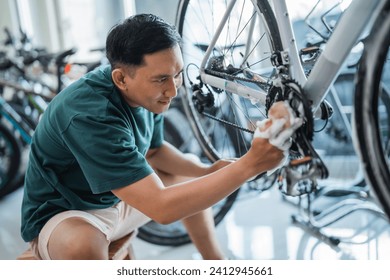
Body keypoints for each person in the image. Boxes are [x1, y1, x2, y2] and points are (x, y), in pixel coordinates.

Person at [20, 13, 299, 260]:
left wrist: (205, 170)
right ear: (121, 79)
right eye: (161, 79)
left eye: (177, 74)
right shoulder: (88, 114)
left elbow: (154, 151)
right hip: (68, 212)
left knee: (192, 175)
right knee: (80, 247)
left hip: (116, 199)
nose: (173, 90)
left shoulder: (145, 93)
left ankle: (216, 263)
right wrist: (249, 165)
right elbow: (162, 208)